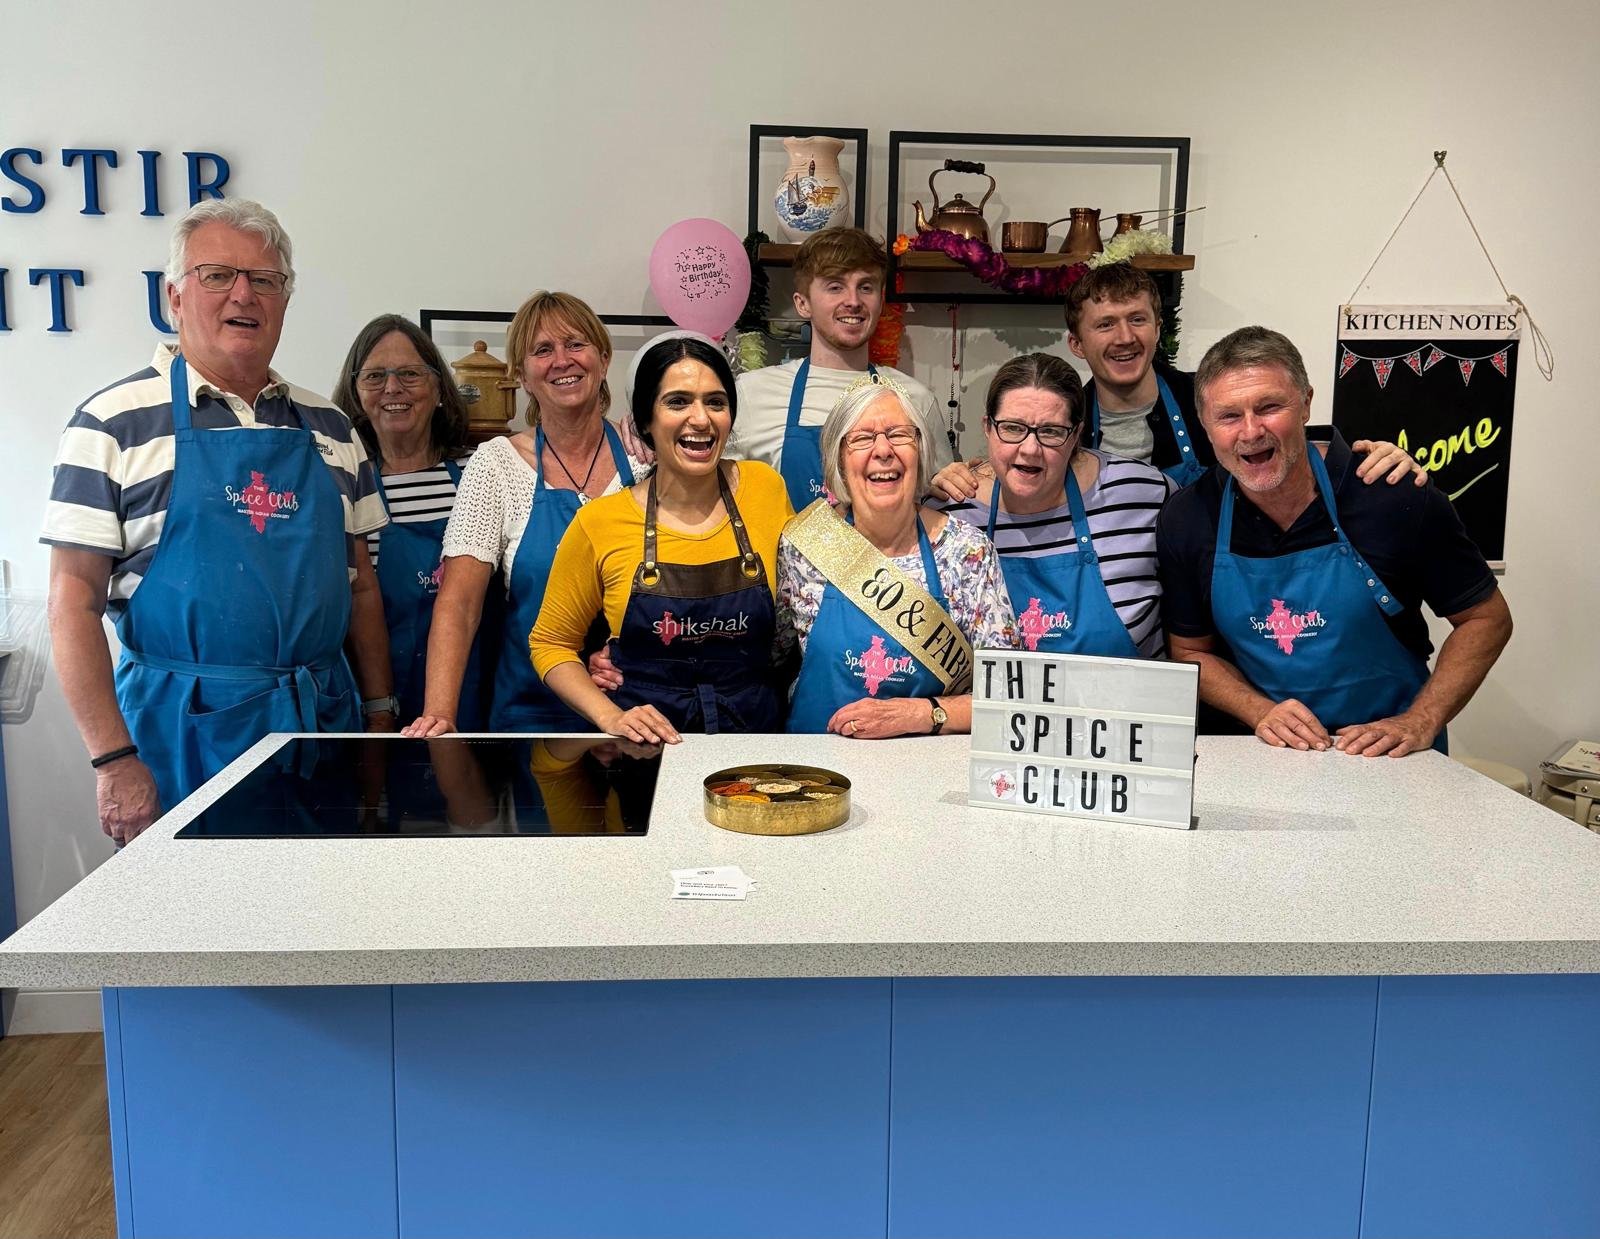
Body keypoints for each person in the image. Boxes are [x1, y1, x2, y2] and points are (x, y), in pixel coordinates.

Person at [42, 198, 391, 843]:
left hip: (323, 727)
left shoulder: (334, 428)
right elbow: (72, 600)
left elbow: (361, 585)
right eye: (217, 275)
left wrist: (378, 714)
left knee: (327, 928)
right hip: (181, 740)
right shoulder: (111, 424)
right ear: (175, 296)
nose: (244, 294)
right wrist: (114, 761)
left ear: (285, 302)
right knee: (195, 935)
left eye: (265, 280)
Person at [1158, 326, 1512, 757]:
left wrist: (1421, 719)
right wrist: (1258, 710)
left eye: (1269, 407)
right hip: (1266, 756)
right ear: (1206, 426)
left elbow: (1486, 620)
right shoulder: (1189, 517)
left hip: (1390, 759)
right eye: (1229, 416)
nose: (1250, 432)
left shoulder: (1392, 494)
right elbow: (1191, 652)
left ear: (1306, 403)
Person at [932, 263, 1425, 501]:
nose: (1125, 338)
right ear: (1077, 343)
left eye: (1137, 320)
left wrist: (1374, 457)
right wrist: (958, 478)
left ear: (1159, 328)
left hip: (1212, 595)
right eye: (1105, 324)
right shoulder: (1063, 422)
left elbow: (1294, 446)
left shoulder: (1214, 402)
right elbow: (1017, 474)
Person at [403, 291, 647, 736]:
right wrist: (440, 713)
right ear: (521, 376)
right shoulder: (495, 465)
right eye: (542, 350)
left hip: (641, 712)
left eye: (576, 344)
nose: (562, 360)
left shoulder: (647, 459)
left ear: (604, 358)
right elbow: (458, 603)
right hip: (532, 718)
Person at [530, 334, 793, 744]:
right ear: (646, 421)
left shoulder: (766, 489)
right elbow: (550, 643)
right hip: (644, 753)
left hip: (756, 740)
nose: (701, 419)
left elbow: (813, 593)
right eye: (678, 402)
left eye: (716, 402)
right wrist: (609, 717)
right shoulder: (600, 521)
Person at [778, 375, 1016, 738]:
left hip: (924, 777)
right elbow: (772, 662)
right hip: (817, 774)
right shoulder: (804, 545)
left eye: (900, 435)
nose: (883, 450)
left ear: (920, 451)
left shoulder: (968, 551)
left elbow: (1007, 697)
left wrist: (922, 714)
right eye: (861, 438)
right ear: (839, 460)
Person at [942, 354, 1172, 658]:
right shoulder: (952, 514)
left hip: (1122, 703)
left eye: (1051, 431)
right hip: (999, 706)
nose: (1029, 449)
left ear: (1075, 435)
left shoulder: (1143, 494)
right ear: (988, 427)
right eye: (1012, 428)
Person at [332, 315, 488, 729]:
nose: (392, 388)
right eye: (375, 376)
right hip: (378, 700)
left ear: (438, 388)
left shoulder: (481, 472)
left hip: (476, 695)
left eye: (409, 374)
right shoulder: (346, 485)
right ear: (356, 392)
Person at [727, 228, 952, 510]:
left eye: (866, 287)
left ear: (881, 301)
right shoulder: (751, 394)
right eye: (835, 286)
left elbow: (941, 503)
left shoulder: (915, 399)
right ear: (803, 304)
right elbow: (718, 495)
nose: (854, 301)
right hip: (783, 555)